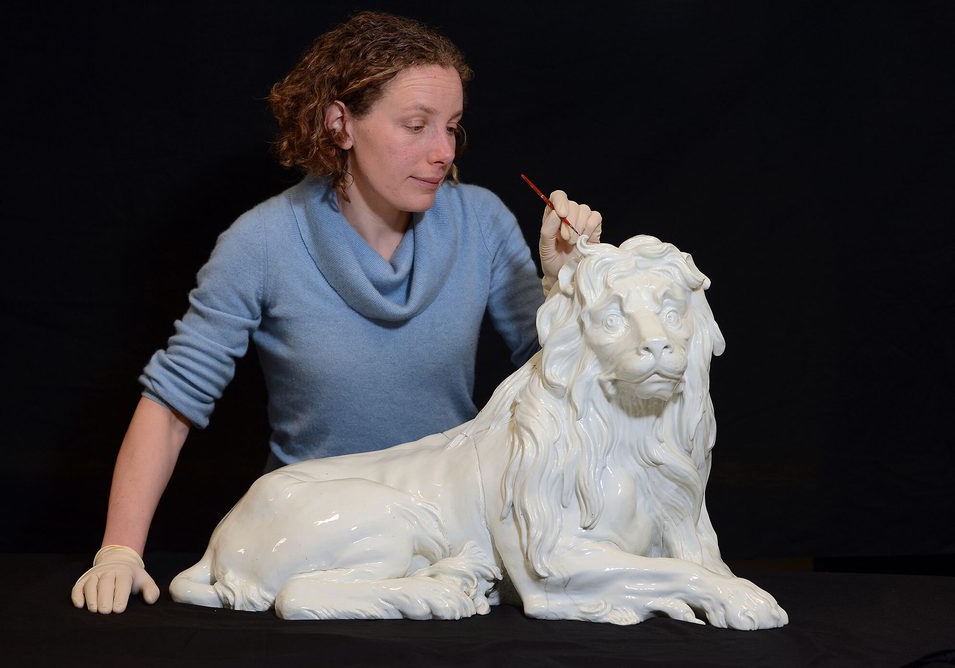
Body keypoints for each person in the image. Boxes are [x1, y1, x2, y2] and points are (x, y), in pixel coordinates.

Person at [71, 10, 602, 615]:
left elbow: (556, 385)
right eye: (416, 125)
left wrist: (566, 286)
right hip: (321, 536)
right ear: (341, 123)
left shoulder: (481, 222)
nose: (442, 151)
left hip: (456, 539)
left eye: (452, 127)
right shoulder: (263, 242)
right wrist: (118, 550)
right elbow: (171, 406)